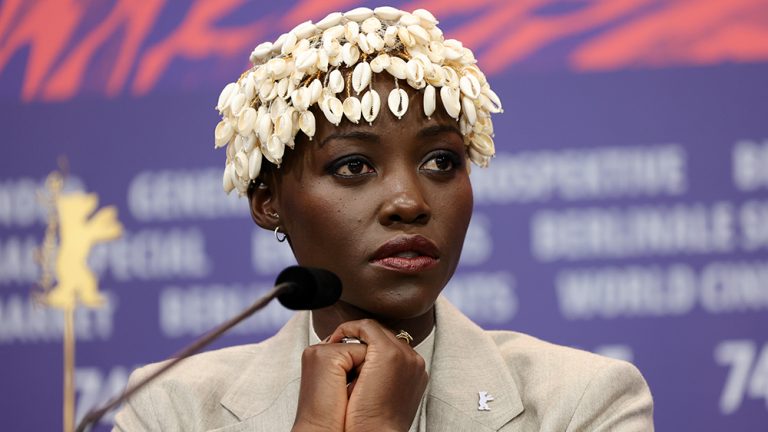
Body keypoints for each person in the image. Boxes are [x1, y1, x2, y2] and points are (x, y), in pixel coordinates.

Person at [114, 6, 654, 431]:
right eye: (353, 165)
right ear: (267, 201)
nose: (408, 202)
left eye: (441, 161)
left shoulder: (583, 401)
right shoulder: (172, 409)